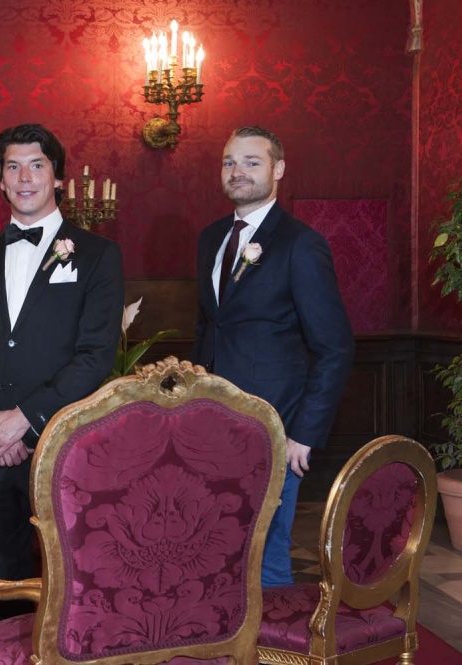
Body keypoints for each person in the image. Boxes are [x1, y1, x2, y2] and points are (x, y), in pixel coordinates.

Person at [0, 123, 124, 621]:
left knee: (76, 577)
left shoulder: (98, 255)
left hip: (60, 440)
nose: (24, 178)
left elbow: (95, 356)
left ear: (58, 177)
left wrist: (26, 419)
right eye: (13, 167)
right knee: (0, 581)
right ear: (0, 180)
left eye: (37, 165)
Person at [192, 125, 354, 588]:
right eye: (229, 162)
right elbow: (208, 328)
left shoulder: (301, 244)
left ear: (278, 170)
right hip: (209, 425)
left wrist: (304, 433)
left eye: (251, 162)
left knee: (266, 554)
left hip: (273, 427)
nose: (237, 171)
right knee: (216, 547)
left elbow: (335, 347)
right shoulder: (211, 239)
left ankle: (273, 652)